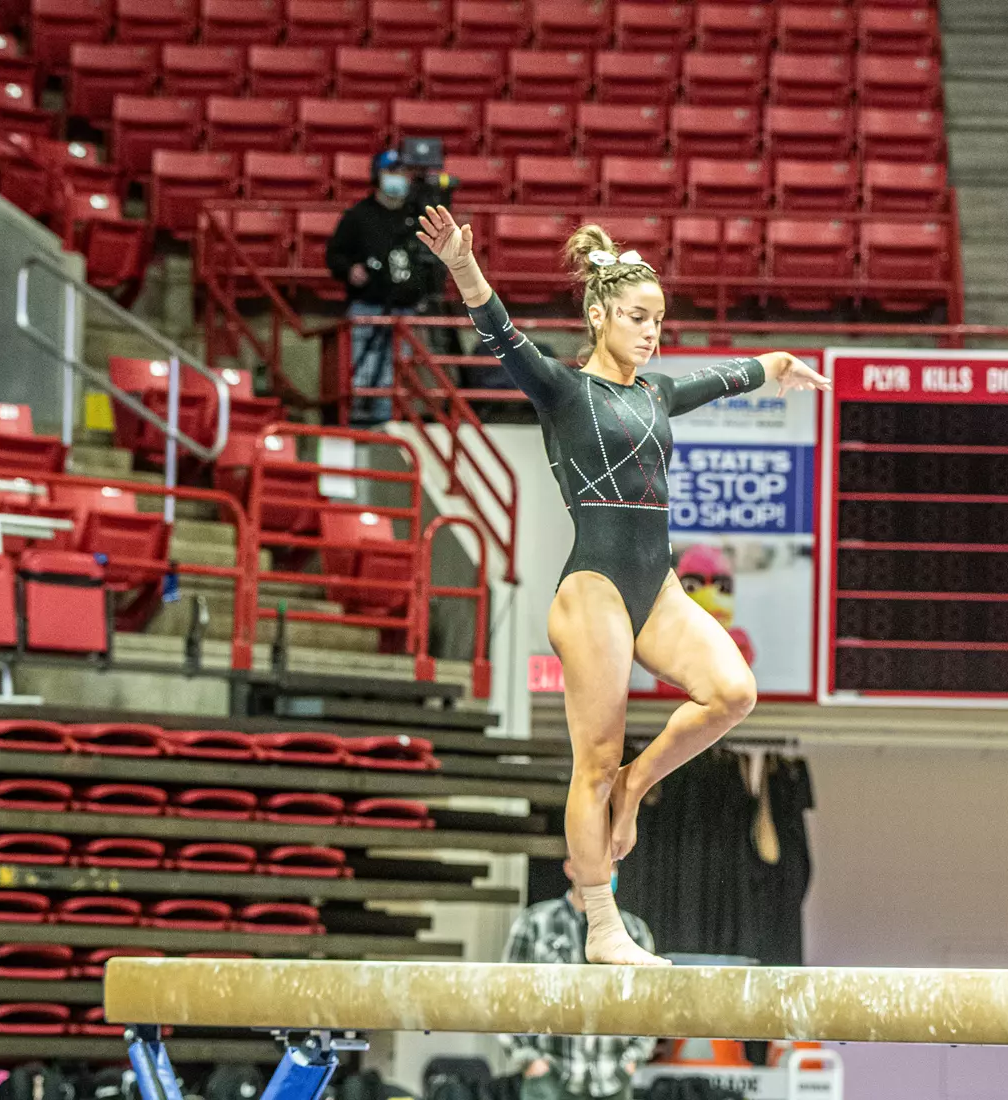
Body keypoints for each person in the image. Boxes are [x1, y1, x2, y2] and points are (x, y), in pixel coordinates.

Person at [416, 206, 830, 966]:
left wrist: (779, 364)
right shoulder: (564, 391)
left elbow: (729, 376)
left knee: (733, 694)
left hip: (656, 586)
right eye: (638, 318)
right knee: (593, 760)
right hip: (595, 587)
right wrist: (462, 266)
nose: (651, 333)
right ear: (599, 314)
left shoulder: (656, 394)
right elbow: (499, 332)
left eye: (660, 322)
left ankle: (638, 786)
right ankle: (604, 927)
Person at [500, 860, 660, 1100]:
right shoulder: (536, 923)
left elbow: (649, 1003)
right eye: (596, 866)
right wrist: (527, 1057)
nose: (605, 874)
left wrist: (633, 1058)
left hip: (612, 1076)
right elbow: (505, 995)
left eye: (611, 868)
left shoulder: (634, 931)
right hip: (551, 1074)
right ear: (570, 869)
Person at [325, 148, 427, 425]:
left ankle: (388, 425)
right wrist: (350, 270)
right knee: (363, 373)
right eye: (391, 171)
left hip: (405, 311)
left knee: (396, 377)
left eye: (402, 172)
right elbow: (335, 255)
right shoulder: (358, 216)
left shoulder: (417, 217)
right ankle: (359, 422)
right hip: (367, 306)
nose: (397, 178)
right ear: (377, 176)